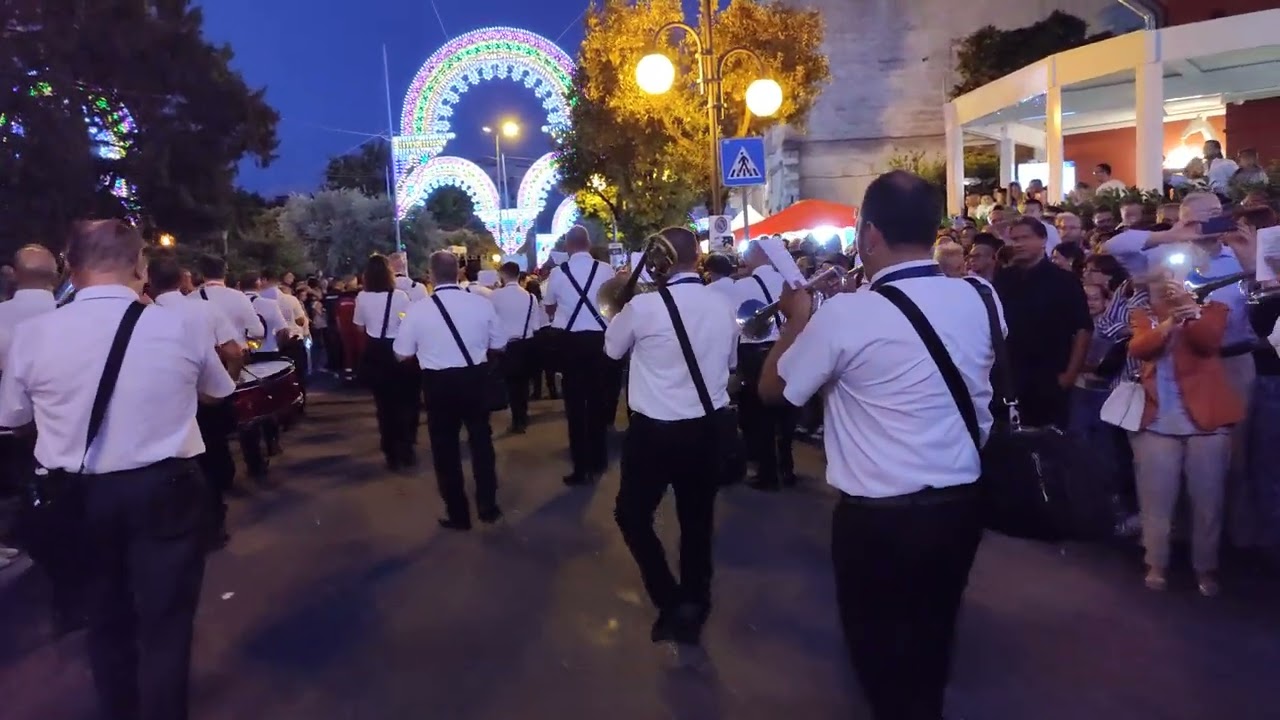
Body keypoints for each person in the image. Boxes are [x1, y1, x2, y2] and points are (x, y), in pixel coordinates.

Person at [759, 171, 1000, 720]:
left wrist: (797, 322)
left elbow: (774, 391)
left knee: (879, 655)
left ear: (868, 234)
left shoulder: (847, 313)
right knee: (934, 638)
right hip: (962, 503)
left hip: (879, 519)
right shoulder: (979, 297)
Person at [0, 219, 236, 720]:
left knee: (104, 620)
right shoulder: (178, 324)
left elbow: (13, 421)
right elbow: (219, 392)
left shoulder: (34, 335)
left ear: (71, 266)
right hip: (166, 489)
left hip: (78, 496)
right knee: (167, 627)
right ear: (139, 266)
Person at [607, 226, 737, 646]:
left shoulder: (643, 309)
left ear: (659, 263)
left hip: (653, 434)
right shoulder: (721, 305)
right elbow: (730, 362)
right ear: (696, 258)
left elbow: (610, 351)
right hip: (707, 428)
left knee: (631, 515)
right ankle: (696, 605)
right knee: (697, 521)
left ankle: (668, 598)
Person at [1129, 278, 1243, 595]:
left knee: (1208, 499)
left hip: (1207, 421)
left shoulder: (1213, 310)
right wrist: (1169, 322)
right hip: (1157, 420)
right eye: (1160, 287)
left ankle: (1205, 568)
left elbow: (1208, 342)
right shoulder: (1144, 316)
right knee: (1156, 498)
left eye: (1173, 285)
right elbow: (1140, 348)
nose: (1167, 292)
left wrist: (1190, 312)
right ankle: (1156, 563)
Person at [395, 251, 506, 530]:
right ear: (458, 272)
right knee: (482, 442)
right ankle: (488, 505)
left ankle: (458, 513)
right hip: (474, 378)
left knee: (445, 450)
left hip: (438, 383)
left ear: (431, 275)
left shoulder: (419, 309)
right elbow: (501, 343)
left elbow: (401, 353)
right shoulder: (480, 304)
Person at [150, 252, 244, 549]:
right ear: (182, 280)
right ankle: (214, 524)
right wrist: (229, 380)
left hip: (165, 404)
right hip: (207, 398)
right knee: (212, 458)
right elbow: (234, 351)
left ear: (149, 283)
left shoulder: (142, 316)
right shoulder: (205, 311)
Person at [994, 217, 1092, 428]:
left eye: (1025, 237)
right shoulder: (1003, 278)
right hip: (1009, 376)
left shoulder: (1064, 280)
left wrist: (1070, 375)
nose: (1018, 244)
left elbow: (1083, 329)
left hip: (1050, 376)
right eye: (1014, 239)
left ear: (1043, 240)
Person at [542, 225, 615, 485]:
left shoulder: (557, 273)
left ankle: (581, 467)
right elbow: (616, 301)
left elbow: (549, 306)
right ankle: (599, 459)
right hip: (600, 340)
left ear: (568, 246)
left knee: (574, 405)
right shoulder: (606, 270)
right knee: (598, 401)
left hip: (570, 342)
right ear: (588, 244)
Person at [732, 239, 796, 490]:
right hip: (789, 347)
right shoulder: (787, 281)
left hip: (755, 352)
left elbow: (735, 324)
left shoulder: (744, 285)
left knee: (759, 415)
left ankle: (768, 472)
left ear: (752, 257)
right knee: (787, 410)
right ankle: (787, 468)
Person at [353, 254, 416, 469]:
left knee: (383, 405)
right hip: (397, 350)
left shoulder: (362, 297)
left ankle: (389, 451)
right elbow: (407, 323)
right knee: (404, 403)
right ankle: (406, 448)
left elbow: (359, 326)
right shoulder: (400, 296)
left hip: (375, 351)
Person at [490, 261, 542, 434]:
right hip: (526, 344)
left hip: (506, 346)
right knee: (524, 383)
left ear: (503, 275)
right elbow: (536, 326)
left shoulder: (495, 296)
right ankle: (523, 415)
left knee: (511, 384)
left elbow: (491, 322)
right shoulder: (530, 297)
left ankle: (516, 418)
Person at [192, 255, 263, 347]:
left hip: (203, 355)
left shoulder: (191, 298)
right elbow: (257, 331)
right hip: (235, 355)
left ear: (202, 275)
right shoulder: (239, 297)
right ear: (225, 275)